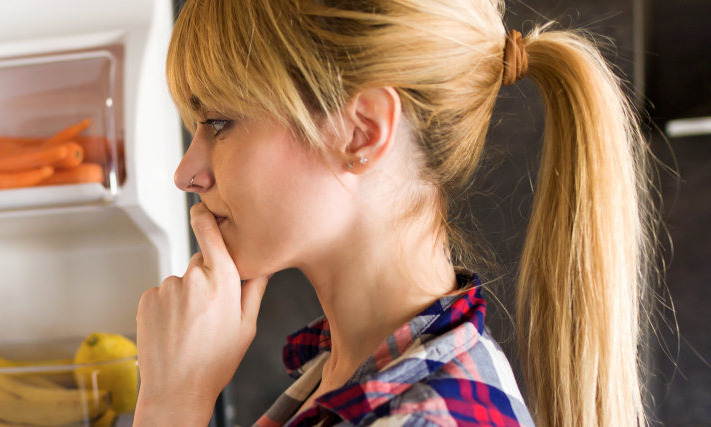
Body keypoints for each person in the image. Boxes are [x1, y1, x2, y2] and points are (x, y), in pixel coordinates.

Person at [133, 0, 652, 426]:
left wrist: (172, 404)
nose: (186, 174)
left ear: (361, 132)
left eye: (218, 123)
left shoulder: (427, 420)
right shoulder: (337, 376)